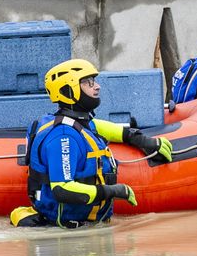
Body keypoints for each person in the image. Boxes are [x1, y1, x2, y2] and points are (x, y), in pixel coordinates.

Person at [10, 59, 173, 229]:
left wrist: (142, 140)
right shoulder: (63, 137)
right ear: (69, 90)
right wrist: (113, 191)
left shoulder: (77, 123)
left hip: (84, 226)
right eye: (88, 82)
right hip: (67, 233)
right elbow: (62, 189)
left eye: (93, 81)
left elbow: (102, 127)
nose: (97, 86)